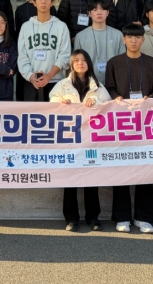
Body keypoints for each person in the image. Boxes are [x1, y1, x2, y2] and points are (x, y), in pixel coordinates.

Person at [105, 24, 153, 234]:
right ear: (123, 40)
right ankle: (122, 217)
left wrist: (151, 98)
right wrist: (116, 98)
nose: (133, 40)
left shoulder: (152, 63)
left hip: (146, 122)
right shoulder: (114, 63)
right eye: (129, 37)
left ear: (143, 40)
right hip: (121, 122)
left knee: (145, 169)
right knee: (121, 168)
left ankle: (144, 217)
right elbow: (109, 88)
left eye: (137, 37)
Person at [50, 49, 111, 232]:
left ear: (88, 64)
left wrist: (96, 104)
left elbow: (108, 107)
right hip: (70, 140)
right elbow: (52, 103)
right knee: (71, 180)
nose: (80, 63)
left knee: (91, 180)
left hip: (91, 140)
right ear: (71, 64)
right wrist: (62, 105)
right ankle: (71, 219)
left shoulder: (98, 86)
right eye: (76, 60)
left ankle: (93, 218)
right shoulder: (62, 85)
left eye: (84, 60)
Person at [17, 0, 71, 102]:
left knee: (54, 113)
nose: (43, 2)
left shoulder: (61, 26)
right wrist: (30, 76)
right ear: (34, 2)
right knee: (32, 113)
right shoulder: (26, 27)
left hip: (55, 82)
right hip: (32, 82)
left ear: (52, 2)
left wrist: (49, 75)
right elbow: (22, 56)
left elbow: (64, 56)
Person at [14, 0, 56, 101]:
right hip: (28, 62)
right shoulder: (20, 10)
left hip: (48, 65)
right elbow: (18, 35)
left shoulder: (50, 9)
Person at [73, 0, 125, 86]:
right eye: (95, 9)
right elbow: (76, 63)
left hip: (114, 83)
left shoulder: (118, 35)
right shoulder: (80, 36)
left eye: (102, 9)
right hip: (88, 84)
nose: (99, 12)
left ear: (107, 12)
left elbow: (122, 61)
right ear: (89, 13)